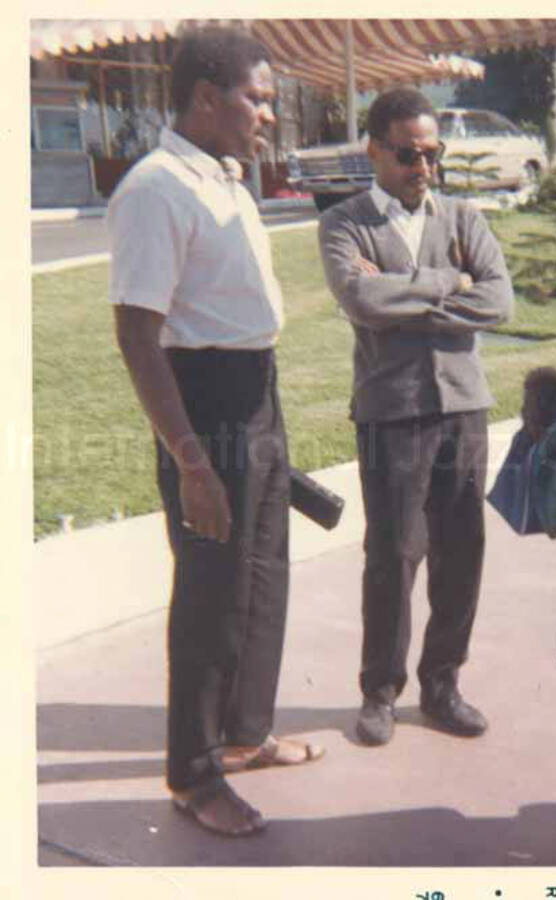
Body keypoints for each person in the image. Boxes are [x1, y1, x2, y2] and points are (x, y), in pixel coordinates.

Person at [109, 26, 324, 838]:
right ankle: (193, 775)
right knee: (209, 593)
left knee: (262, 575)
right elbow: (137, 337)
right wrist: (192, 465)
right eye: (258, 99)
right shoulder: (155, 189)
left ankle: (245, 733)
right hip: (204, 405)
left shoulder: (225, 180)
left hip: (255, 391)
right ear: (206, 96)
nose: (267, 114)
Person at [318, 88, 514, 746]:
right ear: (373, 150)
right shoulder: (343, 223)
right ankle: (379, 691)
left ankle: (442, 684)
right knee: (393, 553)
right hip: (392, 411)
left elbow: (499, 300)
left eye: (432, 152)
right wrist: (446, 281)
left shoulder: (461, 216)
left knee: (461, 552)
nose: (421, 164)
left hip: (462, 405)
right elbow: (360, 298)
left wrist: (407, 292)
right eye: (407, 152)